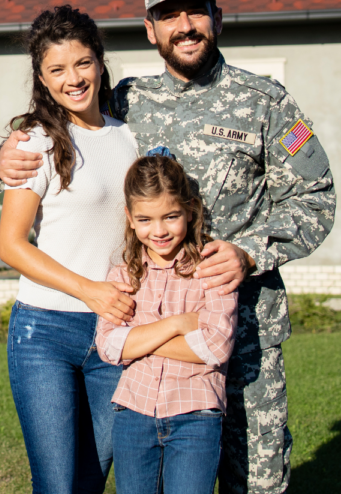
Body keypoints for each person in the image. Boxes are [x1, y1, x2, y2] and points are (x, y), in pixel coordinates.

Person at [0, 0, 336, 494]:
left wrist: (248, 252)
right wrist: (3, 159)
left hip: (245, 333)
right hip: (149, 330)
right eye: (168, 15)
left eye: (196, 11)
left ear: (217, 18)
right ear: (150, 30)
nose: (185, 25)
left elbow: (316, 198)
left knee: (258, 482)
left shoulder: (266, 102)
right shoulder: (127, 103)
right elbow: (64, 136)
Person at [0, 5, 140, 493]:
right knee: (57, 485)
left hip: (114, 333)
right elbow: (11, 245)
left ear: (100, 62)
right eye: (56, 69)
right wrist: (89, 290)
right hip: (45, 332)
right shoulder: (35, 141)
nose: (72, 78)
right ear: (42, 77)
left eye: (82, 63)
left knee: (90, 480)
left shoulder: (131, 136)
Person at [95, 151, 238, 494]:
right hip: (134, 414)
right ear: (129, 217)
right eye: (145, 219)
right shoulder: (124, 274)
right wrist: (178, 324)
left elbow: (215, 347)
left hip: (196, 416)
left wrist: (139, 341)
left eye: (171, 217)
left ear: (190, 209)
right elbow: (110, 346)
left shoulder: (211, 271)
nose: (158, 231)